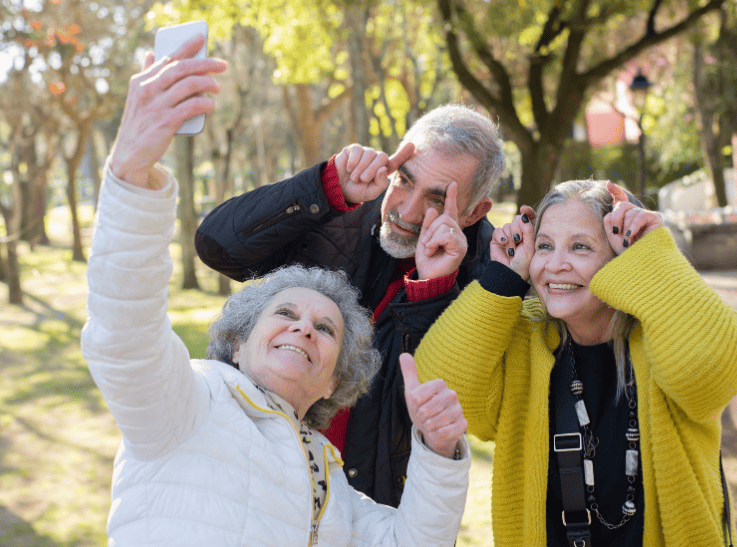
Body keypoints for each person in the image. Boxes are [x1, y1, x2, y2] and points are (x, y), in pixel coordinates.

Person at [80, 35, 471, 547]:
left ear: (336, 381)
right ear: (237, 342)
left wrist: (439, 452)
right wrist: (129, 173)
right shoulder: (187, 406)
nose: (305, 329)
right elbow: (123, 334)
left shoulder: (329, 483)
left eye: (326, 329)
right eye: (285, 314)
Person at [413, 180, 737, 547]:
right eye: (544, 246)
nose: (555, 264)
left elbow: (708, 374)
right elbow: (437, 388)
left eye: (580, 246)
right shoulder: (525, 342)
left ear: (621, 258)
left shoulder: (664, 337)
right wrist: (503, 277)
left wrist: (654, 254)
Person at [195, 100, 505, 516]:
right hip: (264, 491)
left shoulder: (492, 277)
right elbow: (217, 247)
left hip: (376, 520)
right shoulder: (339, 208)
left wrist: (432, 290)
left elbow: (424, 407)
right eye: (404, 180)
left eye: (435, 199)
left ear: (475, 212)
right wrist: (323, 186)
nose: (407, 211)